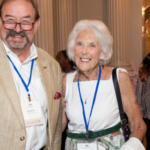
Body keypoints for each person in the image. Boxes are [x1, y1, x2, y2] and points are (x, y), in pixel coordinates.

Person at [62, 20, 146, 150]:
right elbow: (59, 127)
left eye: (92, 45)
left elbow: (138, 126)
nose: (84, 51)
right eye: (79, 44)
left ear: (103, 53)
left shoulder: (119, 78)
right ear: (73, 51)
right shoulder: (66, 82)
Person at [0, 0, 62, 150]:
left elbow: (56, 123)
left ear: (36, 25)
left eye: (26, 22)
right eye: (10, 20)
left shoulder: (52, 65)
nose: (17, 29)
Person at [56, 50, 76, 150]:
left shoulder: (74, 75)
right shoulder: (57, 73)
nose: (57, 61)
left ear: (67, 60)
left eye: (59, 58)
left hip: (69, 110)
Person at [132, 53, 150, 150]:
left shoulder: (140, 69)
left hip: (140, 110)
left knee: (139, 137)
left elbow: (133, 88)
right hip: (144, 111)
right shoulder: (141, 70)